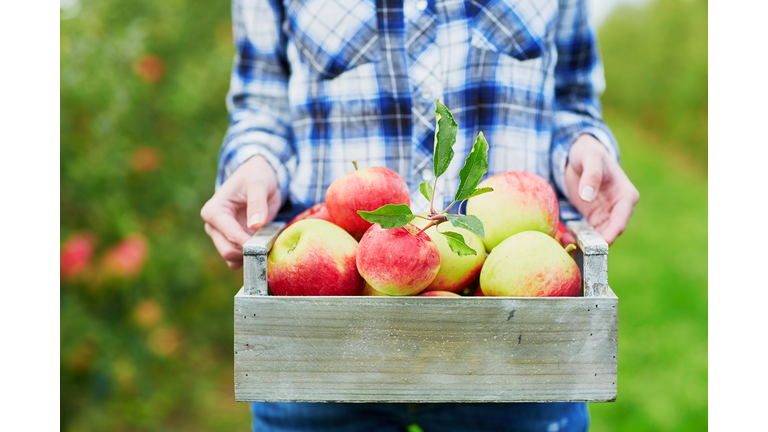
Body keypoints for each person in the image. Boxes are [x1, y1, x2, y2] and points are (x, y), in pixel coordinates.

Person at [201, 0, 639, 430]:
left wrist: (582, 144)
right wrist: (255, 160)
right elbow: (261, 104)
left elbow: (573, 97)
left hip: (512, 346)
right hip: (322, 338)